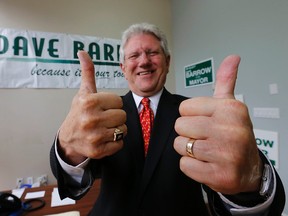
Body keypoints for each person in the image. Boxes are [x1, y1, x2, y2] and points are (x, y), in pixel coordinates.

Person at [50, 23, 285, 215]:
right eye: (134, 55)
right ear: (123, 67)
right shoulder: (100, 114)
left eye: (152, 52)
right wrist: (69, 149)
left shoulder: (197, 114)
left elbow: (236, 191)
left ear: (168, 61)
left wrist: (248, 182)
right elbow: (73, 183)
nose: (143, 61)